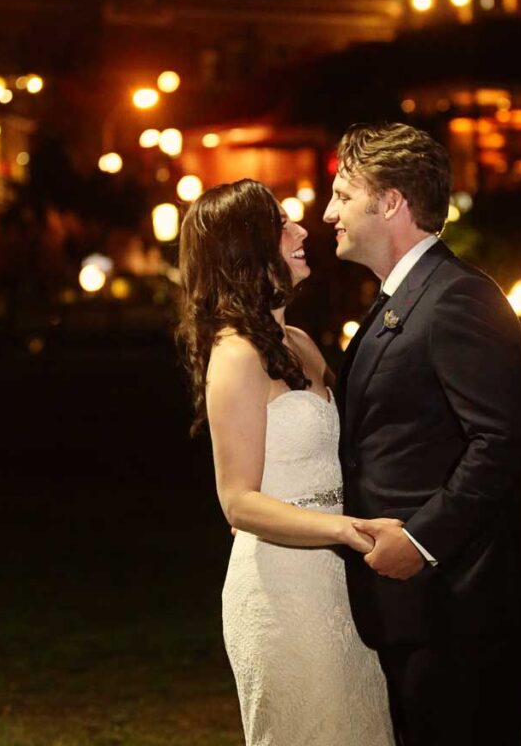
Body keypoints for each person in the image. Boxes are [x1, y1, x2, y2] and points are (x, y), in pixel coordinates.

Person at [323, 122, 521, 746]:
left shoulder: (456, 299)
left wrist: (420, 542)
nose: (328, 211)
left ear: (390, 202)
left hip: (461, 615)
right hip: (416, 615)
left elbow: (500, 442)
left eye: (342, 194)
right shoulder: (402, 297)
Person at [175, 178, 395, 746]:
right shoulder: (235, 356)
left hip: (340, 583)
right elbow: (238, 501)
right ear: (245, 248)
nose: (302, 230)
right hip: (281, 589)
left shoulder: (297, 342)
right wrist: (343, 528)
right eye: (281, 225)